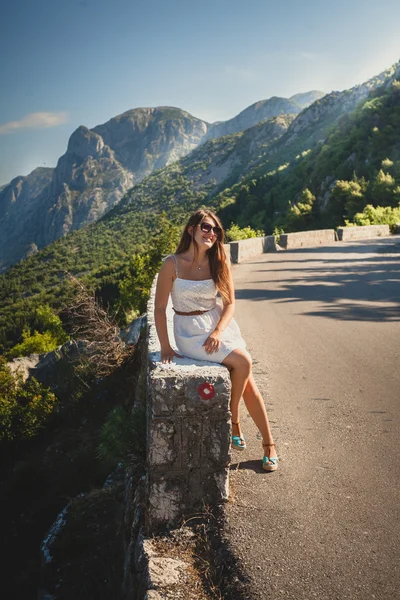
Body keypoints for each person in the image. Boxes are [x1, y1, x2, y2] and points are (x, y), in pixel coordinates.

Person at [154, 208, 278, 472]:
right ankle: (233, 420)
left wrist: (219, 331)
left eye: (215, 230)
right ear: (192, 230)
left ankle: (268, 444)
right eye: (206, 228)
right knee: (243, 361)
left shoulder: (220, 258)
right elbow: (159, 307)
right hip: (188, 331)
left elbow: (230, 302)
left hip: (218, 324)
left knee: (248, 383)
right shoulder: (171, 264)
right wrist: (165, 345)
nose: (211, 233)